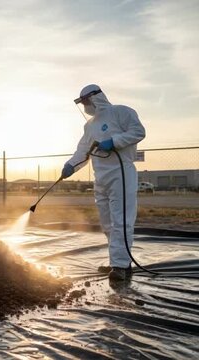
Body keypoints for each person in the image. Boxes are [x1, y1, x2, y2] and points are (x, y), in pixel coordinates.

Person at [62, 84, 146, 281]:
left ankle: (121, 266)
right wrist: (70, 166)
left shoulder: (121, 112)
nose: (85, 106)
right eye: (82, 103)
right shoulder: (89, 125)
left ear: (96, 98)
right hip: (100, 177)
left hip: (121, 173)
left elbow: (138, 132)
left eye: (86, 102)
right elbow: (83, 151)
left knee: (121, 220)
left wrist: (114, 141)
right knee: (107, 223)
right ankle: (116, 261)